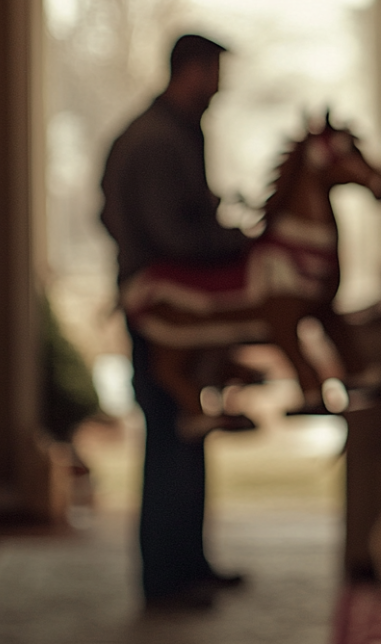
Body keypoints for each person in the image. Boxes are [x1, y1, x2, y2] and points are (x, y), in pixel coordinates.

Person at [101, 33, 250, 610]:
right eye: (213, 72)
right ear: (188, 71)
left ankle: (192, 564)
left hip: (184, 310)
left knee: (190, 430)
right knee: (168, 434)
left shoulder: (182, 132)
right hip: (161, 312)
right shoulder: (154, 139)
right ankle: (164, 581)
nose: (219, 85)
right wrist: (235, 242)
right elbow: (169, 234)